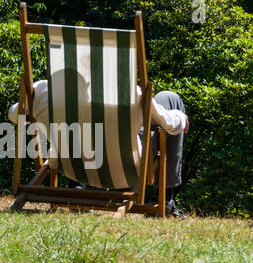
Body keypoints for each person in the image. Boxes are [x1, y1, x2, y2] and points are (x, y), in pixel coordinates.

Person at [8, 82, 190, 217]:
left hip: (71, 165)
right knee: (169, 98)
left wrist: (34, 104)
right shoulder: (129, 92)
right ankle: (164, 200)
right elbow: (167, 122)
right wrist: (181, 119)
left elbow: (15, 114)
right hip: (125, 166)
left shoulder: (44, 89)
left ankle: (78, 186)